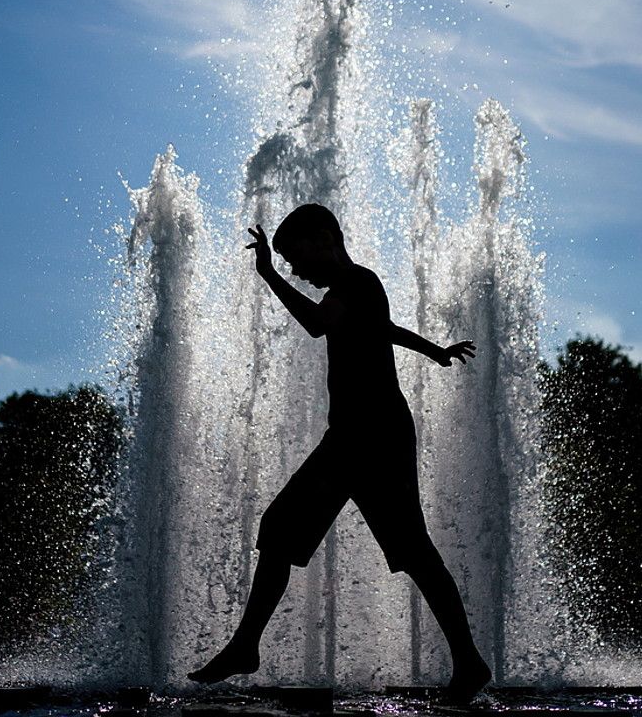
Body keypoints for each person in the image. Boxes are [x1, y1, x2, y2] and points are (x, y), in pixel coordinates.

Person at [188, 203, 492, 702]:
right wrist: (433, 349)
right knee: (305, 533)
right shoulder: (356, 291)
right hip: (363, 434)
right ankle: (469, 661)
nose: (294, 268)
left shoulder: (355, 282)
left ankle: (245, 646)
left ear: (325, 237)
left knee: (293, 529)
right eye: (284, 261)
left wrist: (266, 275)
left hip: (368, 436)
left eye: (295, 255)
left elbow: (315, 324)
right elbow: (383, 330)